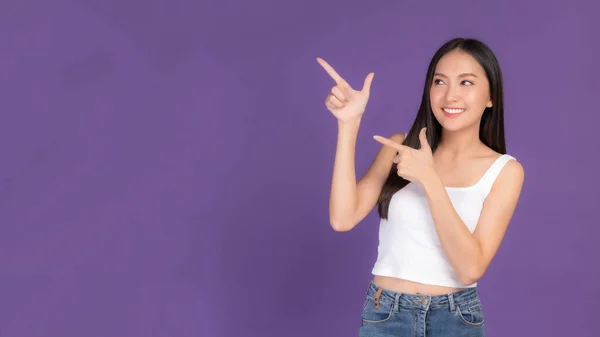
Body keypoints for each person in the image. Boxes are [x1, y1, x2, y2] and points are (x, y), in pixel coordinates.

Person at [317, 37, 525, 337]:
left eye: (466, 83)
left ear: (490, 96)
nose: (450, 95)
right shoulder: (401, 147)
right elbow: (342, 217)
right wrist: (348, 124)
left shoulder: (505, 171)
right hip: (385, 314)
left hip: (455, 319)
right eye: (440, 81)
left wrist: (429, 179)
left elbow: (470, 268)